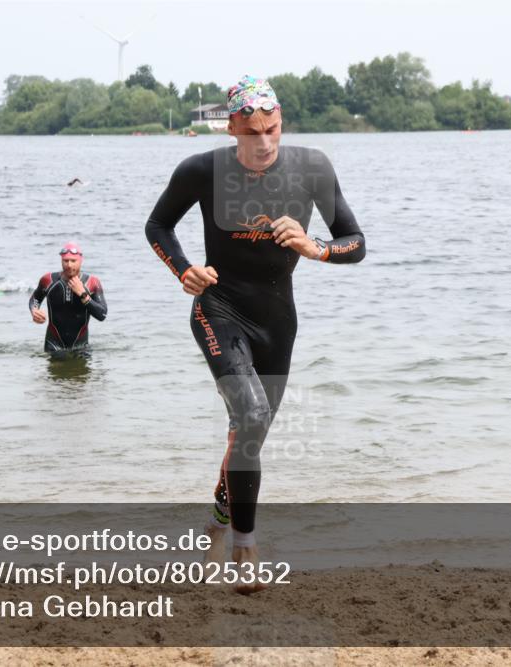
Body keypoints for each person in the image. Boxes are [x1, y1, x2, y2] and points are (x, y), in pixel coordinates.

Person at [145, 75, 366, 594]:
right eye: (253, 133)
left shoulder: (312, 168)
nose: (265, 142)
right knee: (250, 416)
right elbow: (158, 226)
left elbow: (355, 241)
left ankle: (217, 525)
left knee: (249, 435)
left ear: (281, 121)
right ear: (232, 128)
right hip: (218, 308)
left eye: (273, 129)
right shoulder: (202, 170)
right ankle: (246, 547)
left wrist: (318, 250)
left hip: (277, 321)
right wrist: (183, 271)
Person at [29, 242, 107, 356]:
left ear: (81, 261)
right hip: (53, 344)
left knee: (82, 374)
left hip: (81, 346)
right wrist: (34, 311)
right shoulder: (48, 280)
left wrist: (83, 294)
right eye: (66, 261)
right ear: (61, 261)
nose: (69, 265)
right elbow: (34, 300)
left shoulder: (92, 283)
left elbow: (102, 315)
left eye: (73, 261)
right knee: (55, 373)